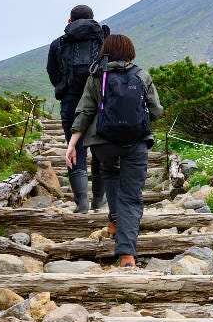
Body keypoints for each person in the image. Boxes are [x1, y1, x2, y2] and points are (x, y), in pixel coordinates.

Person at [65, 34, 163, 268]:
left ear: (105, 52)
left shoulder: (97, 76)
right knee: (131, 196)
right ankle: (127, 255)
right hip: (135, 142)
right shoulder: (141, 75)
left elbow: (85, 110)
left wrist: (72, 143)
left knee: (110, 174)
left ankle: (115, 220)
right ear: (131, 52)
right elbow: (156, 110)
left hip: (103, 143)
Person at [47, 5, 109, 213]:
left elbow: (53, 73)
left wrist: (65, 89)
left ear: (69, 22)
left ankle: (81, 203)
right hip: (100, 101)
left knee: (75, 149)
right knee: (100, 148)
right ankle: (99, 200)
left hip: (70, 102)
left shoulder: (58, 44)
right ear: (93, 19)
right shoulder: (104, 40)